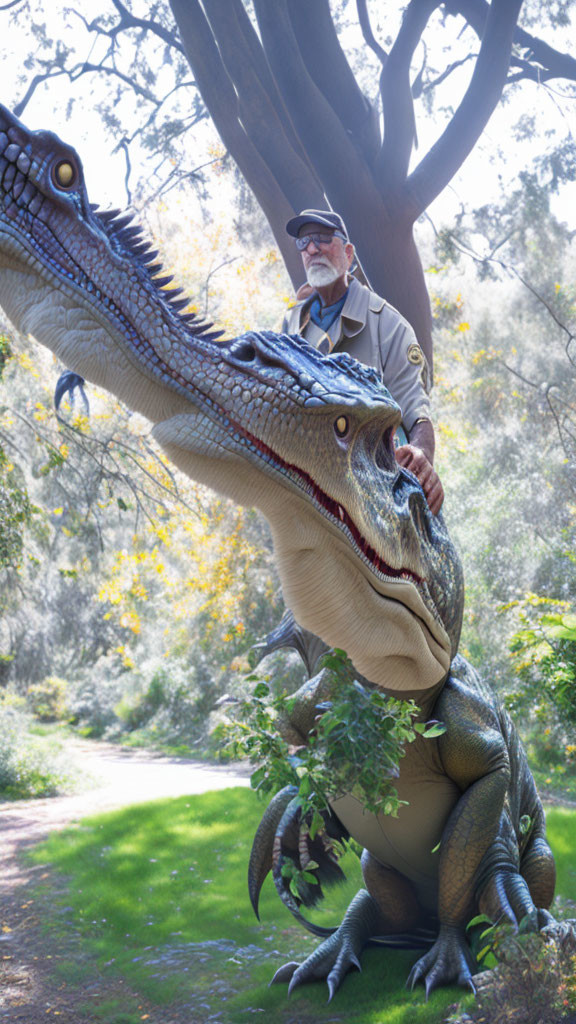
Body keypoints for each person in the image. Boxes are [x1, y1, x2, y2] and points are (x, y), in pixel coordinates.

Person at [283, 209, 444, 515]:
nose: (312, 249)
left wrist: (422, 455)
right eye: (304, 242)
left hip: (376, 493)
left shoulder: (388, 324)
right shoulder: (290, 325)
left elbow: (415, 410)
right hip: (311, 491)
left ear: (348, 253)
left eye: (322, 238)